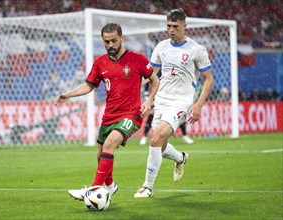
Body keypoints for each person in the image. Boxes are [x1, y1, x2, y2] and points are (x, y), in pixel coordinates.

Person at [55, 23, 159, 201]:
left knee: (110, 144)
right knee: (101, 154)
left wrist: (149, 101)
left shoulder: (138, 59)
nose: (110, 45)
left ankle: (94, 190)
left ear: (122, 38)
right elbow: (89, 85)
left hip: (131, 114)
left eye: (113, 41)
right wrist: (68, 95)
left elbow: (155, 80)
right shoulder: (100, 62)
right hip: (109, 115)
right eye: (106, 42)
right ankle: (110, 186)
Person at [134, 8, 214, 198]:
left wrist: (198, 105)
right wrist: (144, 95)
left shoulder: (196, 50)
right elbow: (150, 76)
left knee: (155, 138)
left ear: (184, 26)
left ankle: (147, 187)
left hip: (182, 102)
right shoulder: (161, 47)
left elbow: (209, 78)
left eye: (175, 26)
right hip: (161, 100)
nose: (171, 30)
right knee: (159, 147)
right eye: (168, 26)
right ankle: (181, 158)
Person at [139, 81, 193, 145]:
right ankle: (145, 136)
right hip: (155, 98)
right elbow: (147, 87)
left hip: (169, 99)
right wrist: (149, 100)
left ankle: (184, 135)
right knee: (152, 115)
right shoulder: (155, 73)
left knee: (177, 115)